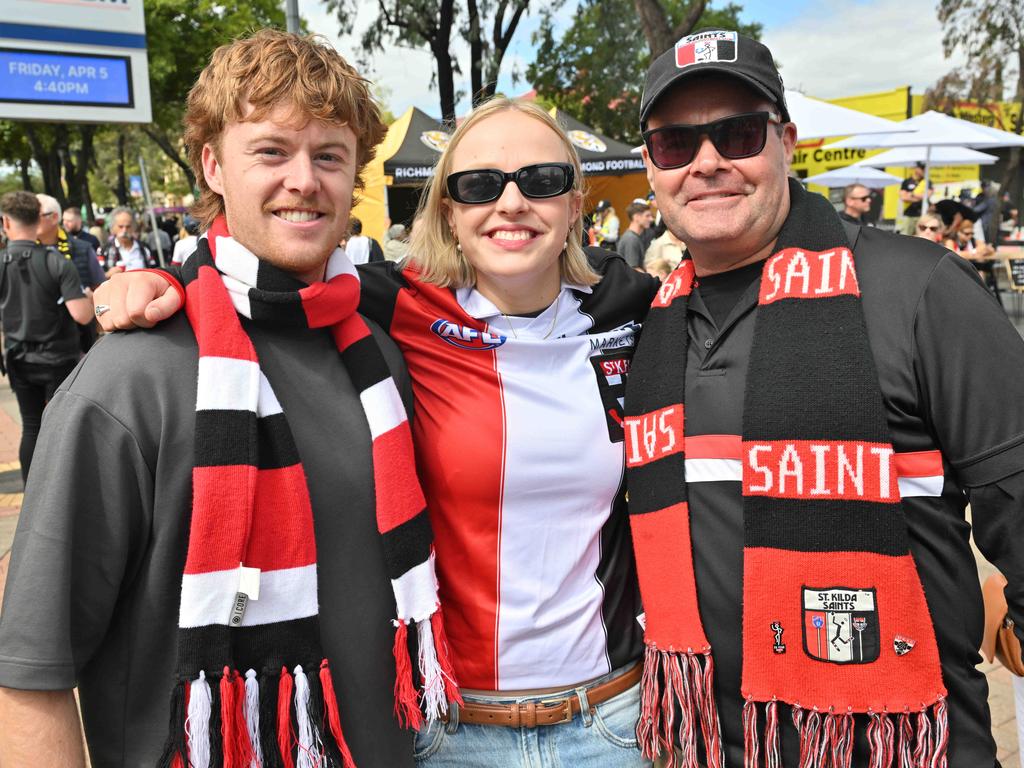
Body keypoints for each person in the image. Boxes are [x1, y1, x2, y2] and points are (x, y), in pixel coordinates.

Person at [90, 96, 661, 768]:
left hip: (613, 722)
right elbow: (256, 280)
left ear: (574, 203)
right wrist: (158, 282)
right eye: (479, 185)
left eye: (541, 180)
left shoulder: (638, 309)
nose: (512, 203)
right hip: (449, 729)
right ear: (449, 209)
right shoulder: (394, 305)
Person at [0, 30, 455, 768]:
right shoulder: (128, 379)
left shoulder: (383, 351)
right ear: (213, 164)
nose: (304, 180)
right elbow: (32, 671)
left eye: (330, 155)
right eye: (271, 151)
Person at [629, 28, 1024, 767]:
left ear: (786, 140)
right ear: (652, 165)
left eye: (737, 133)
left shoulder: (920, 289)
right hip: (704, 744)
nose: (707, 163)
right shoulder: (644, 322)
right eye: (676, 144)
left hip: (907, 744)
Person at [0, 192, 93, 481]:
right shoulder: (57, 263)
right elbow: (83, 315)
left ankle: (31, 494)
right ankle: (62, 489)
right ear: (38, 220)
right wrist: (89, 298)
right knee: (59, 427)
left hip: (19, 358)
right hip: (59, 358)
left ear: (5, 222)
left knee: (30, 425)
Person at [36, 194, 105, 353]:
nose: (30, 220)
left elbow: (98, 286)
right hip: (39, 342)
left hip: (80, 337)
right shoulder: (22, 253)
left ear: (54, 217)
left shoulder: (83, 247)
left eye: (35, 215)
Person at [97, 207, 159, 275]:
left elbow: (155, 271)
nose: (124, 231)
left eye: (128, 227)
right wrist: (108, 274)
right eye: (120, 227)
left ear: (134, 227)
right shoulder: (104, 250)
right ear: (113, 228)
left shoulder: (144, 248)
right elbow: (97, 277)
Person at [617, 200, 655, 269]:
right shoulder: (631, 239)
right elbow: (634, 269)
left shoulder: (635, 236)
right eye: (647, 216)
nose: (651, 219)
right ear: (636, 217)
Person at [899, 162, 927, 234]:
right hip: (909, 214)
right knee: (906, 236)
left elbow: (927, 195)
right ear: (916, 169)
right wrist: (918, 197)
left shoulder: (926, 182)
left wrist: (911, 194)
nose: (923, 171)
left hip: (922, 214)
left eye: (924, 169)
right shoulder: (907, 181)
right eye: (921, 168)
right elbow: (903, 197)